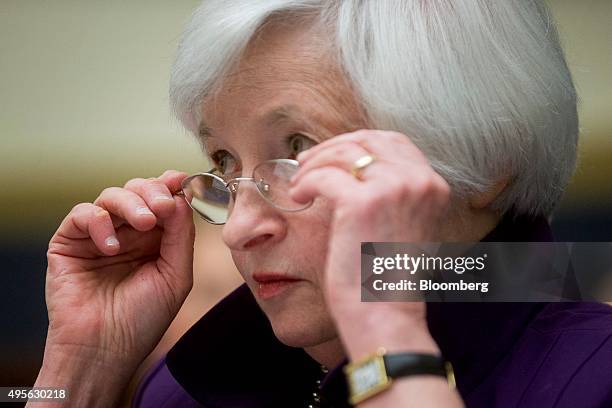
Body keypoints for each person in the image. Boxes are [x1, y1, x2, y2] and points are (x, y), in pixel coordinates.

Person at [29, 1, 612, 407]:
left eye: (302, 149)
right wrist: (81, 371)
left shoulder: (597, 375)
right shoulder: (181, 389)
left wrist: (384, 321)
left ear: (484, 161)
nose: (238, 231)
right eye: (225, 160)